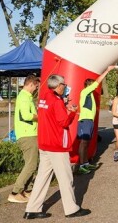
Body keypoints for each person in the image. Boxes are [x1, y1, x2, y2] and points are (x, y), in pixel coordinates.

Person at [24, 74, 90, 219]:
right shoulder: (56, 100)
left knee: (42, 177)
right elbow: (63, 122)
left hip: (44, 143)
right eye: (64, 85)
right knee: (66, 178)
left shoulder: (43, 98)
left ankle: (32, 209)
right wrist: (72, 113)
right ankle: (71, 209)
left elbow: (50, 115)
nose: (65, 87)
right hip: (56, 144)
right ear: (59, 85)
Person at [77, 66, 114, 175]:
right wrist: (107, 70)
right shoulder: (85, 91)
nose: (95, 86)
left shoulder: (89, 94)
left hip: (89, 121)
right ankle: (81, 165)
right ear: (89, 85)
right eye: (92, 84)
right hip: (85, 121)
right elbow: (97, 81)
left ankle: (85, 163)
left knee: (86, 143)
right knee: (83, 143)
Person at [9, 75, 40, 203]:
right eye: (36, 86)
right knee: (31, 165)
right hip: (27, 135)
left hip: (28, 133)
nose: (36, 89)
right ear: (31, 84)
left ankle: (26, 191)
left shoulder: (26, 97)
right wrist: (40, 117)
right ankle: (15, 192)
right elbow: (26, 116)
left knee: (32, 164)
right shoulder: (24, 97)